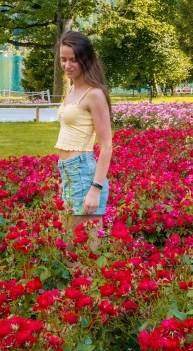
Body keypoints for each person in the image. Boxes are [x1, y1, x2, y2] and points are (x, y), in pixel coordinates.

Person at [55, 31, 112, 251]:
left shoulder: (94, 94)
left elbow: (106, 146)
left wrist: (95, 189)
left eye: (73, 60)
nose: (67, 65)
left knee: (85, 255)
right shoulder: (72, 89)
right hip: (69, 172)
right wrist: (63, 178)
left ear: (85, 59)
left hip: (85, 174)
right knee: (69, 249)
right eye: (63, 59)